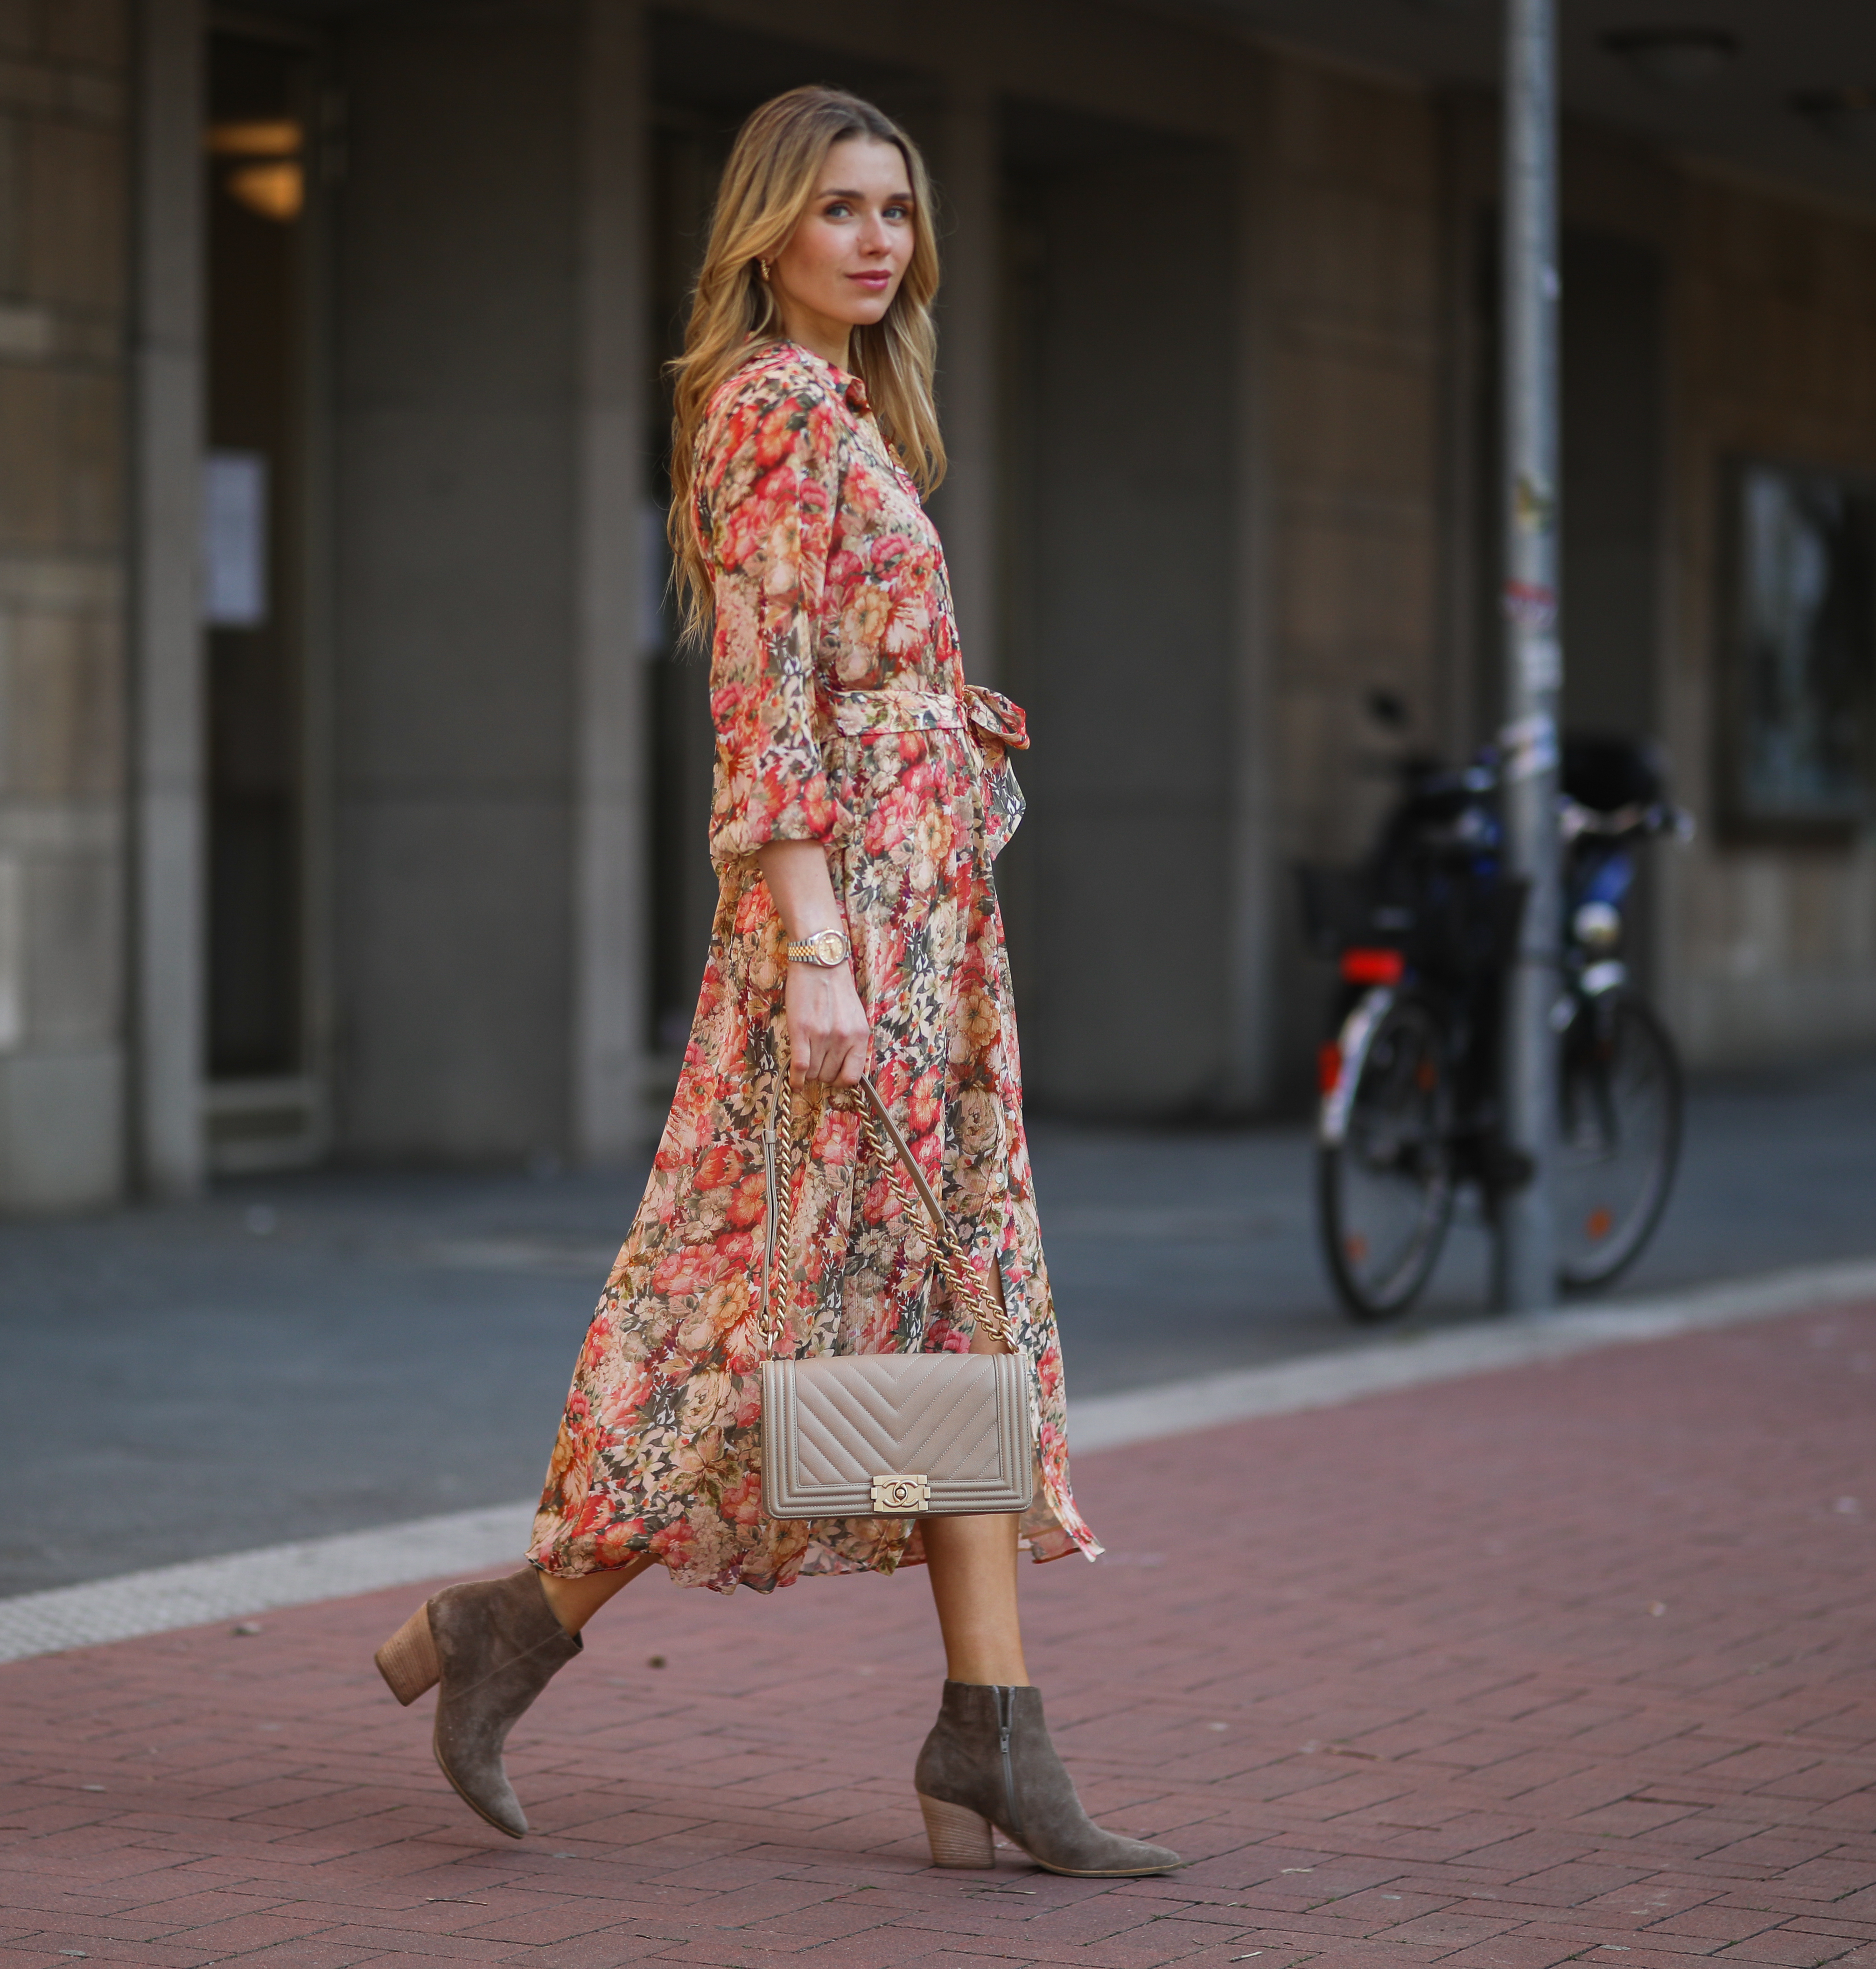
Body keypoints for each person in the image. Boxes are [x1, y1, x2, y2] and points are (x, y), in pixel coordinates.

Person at [371, 84, 1181, 1881]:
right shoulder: (769, 406)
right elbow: (764, 704)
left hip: (921, 929)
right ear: (768, 233)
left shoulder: (856, 411)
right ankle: (529, 1626)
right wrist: (821, 954)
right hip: (845, 942)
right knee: (796, 1313)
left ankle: (985, 1732)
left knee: (925, 1302)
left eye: (896, 208)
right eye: (839, 210)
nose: (877, 240)